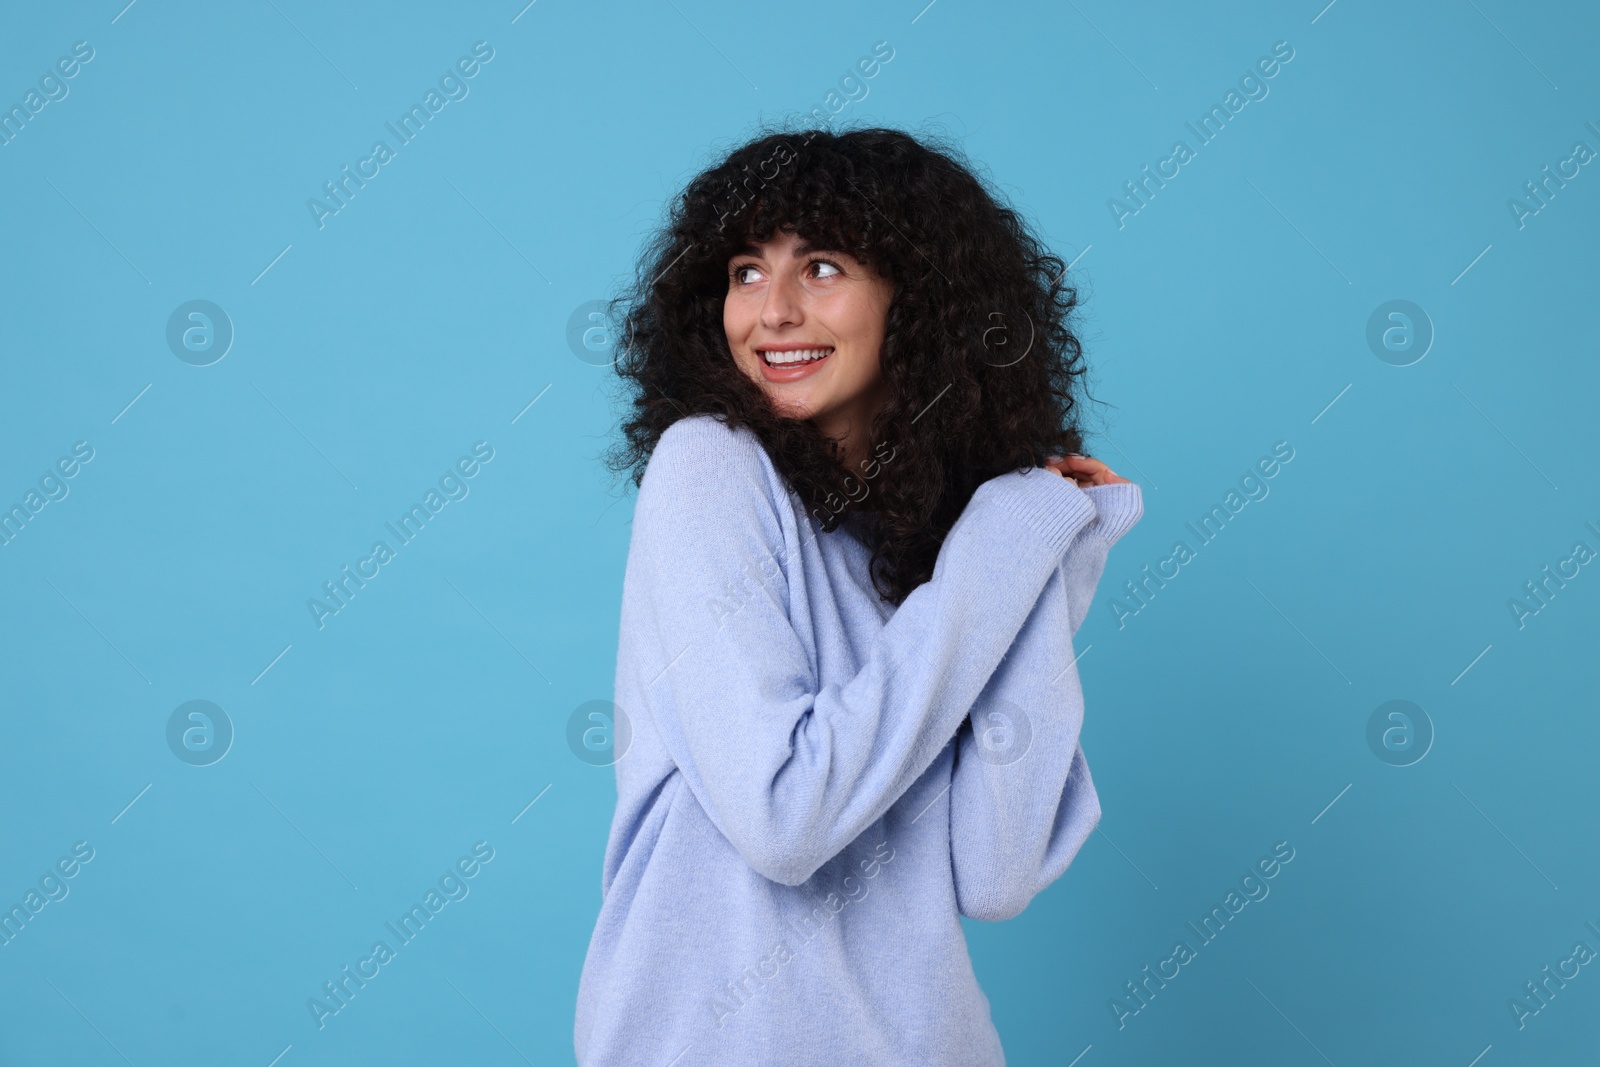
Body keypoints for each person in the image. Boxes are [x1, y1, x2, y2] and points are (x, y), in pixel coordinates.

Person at [579, 124, 1142, 1065]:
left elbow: (996, 869)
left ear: (915, 300)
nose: (772, 311)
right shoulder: (709, 469)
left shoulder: (938, 544)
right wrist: (999, 550)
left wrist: (1048, 561)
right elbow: (783, 818)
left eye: (824, 267)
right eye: (746, 272)